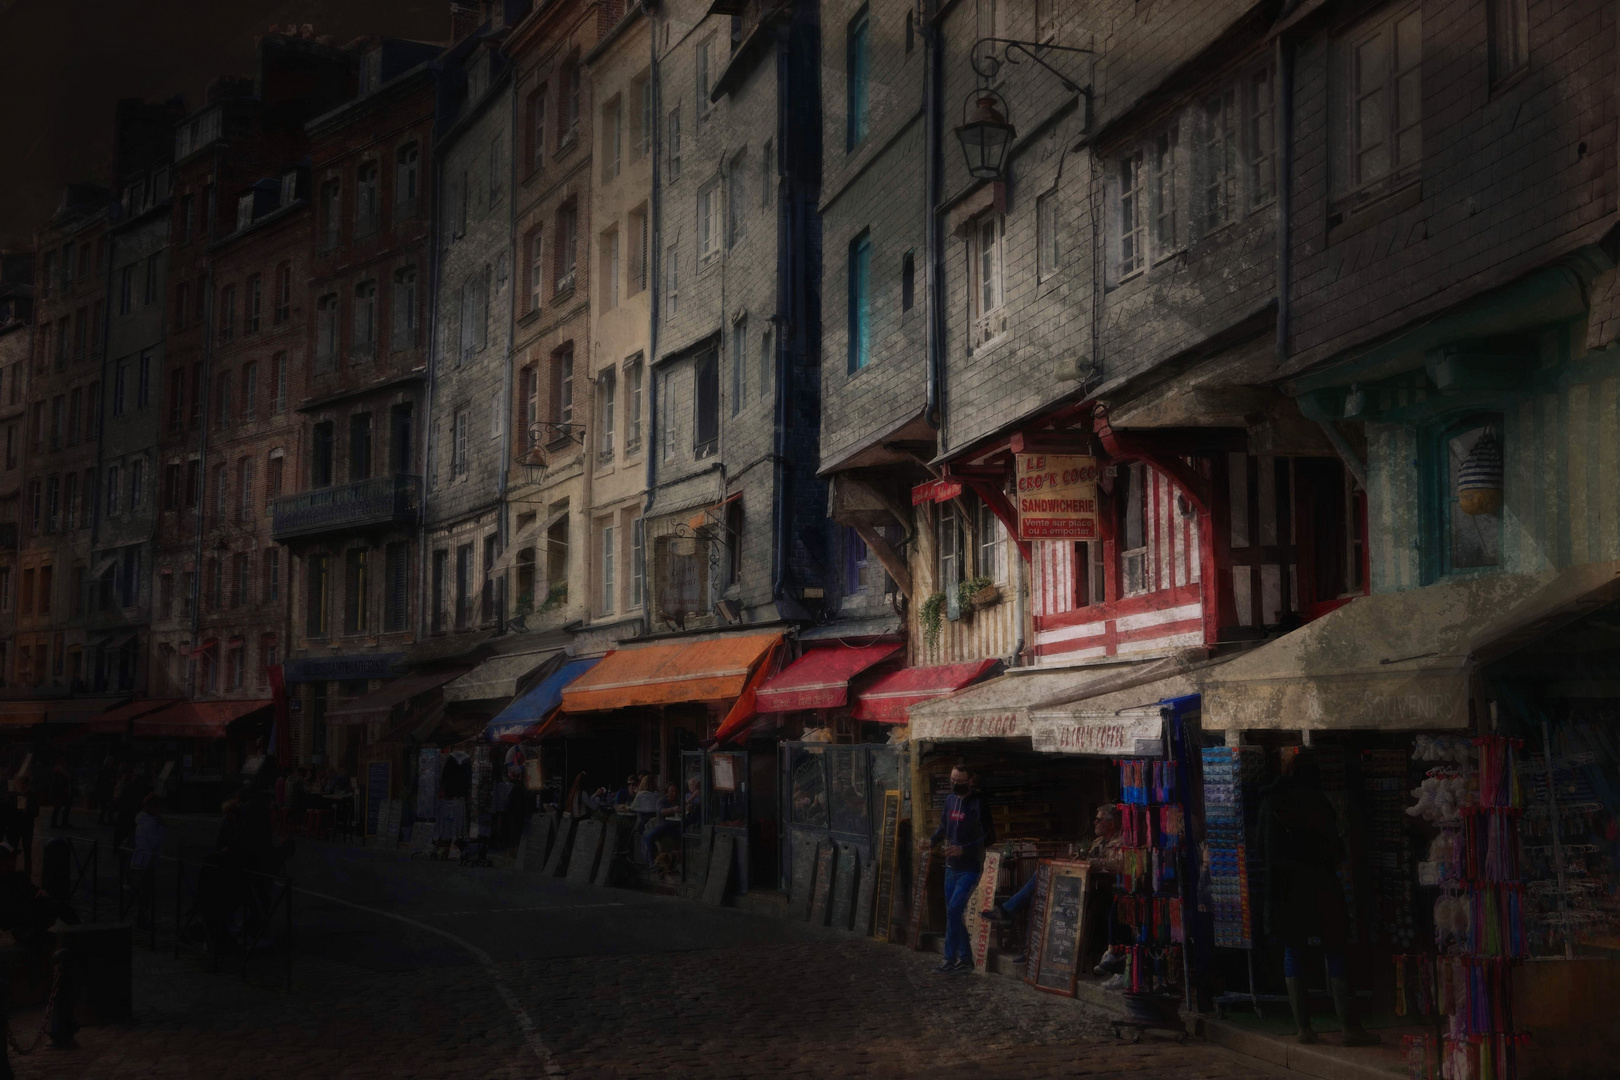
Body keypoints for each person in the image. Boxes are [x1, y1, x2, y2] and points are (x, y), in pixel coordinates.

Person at [1259, 748, 1377, 1047]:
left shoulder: (1271, 802)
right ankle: (1349, 1027)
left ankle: (1304, 1029)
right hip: (1322, 885)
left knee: (1293, 950)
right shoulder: (1319, 802)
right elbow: (1334, 851)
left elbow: (1262, 850)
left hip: (1285, 888)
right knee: (1335, 948)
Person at [920, 764, 995, 974]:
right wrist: (931, 841)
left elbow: (989, 837)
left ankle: (949, 959)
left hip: (970, 867)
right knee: (953, 913)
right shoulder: (950, 800)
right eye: (953, 780)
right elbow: (944, 827)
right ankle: (965, 959)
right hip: (950, 867)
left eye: (960, 782)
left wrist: (964, 850)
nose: (955, 785)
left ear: (970, 781)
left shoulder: (979, 803)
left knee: (954, 909)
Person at [641, 779, 697, 871]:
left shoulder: (679, 801)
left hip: (677, 827)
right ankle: (652, 863)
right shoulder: (661, 801)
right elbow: (661, 812)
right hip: (664, 827)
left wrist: (688, 811)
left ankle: (687, 864)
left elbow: (685, 812)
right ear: (666, 793)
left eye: (675, 791)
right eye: (671, 792)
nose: (674, 794)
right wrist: (672, 809)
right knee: (649, 837)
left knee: (688, 836)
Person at [49, 758, 74, 828]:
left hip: (64, 792)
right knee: (57, 808)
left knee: (66, 806)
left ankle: (64, 821)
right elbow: (57, 782)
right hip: (60, 792)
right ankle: (54, 823)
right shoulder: (58, 771)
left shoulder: (64, 771)